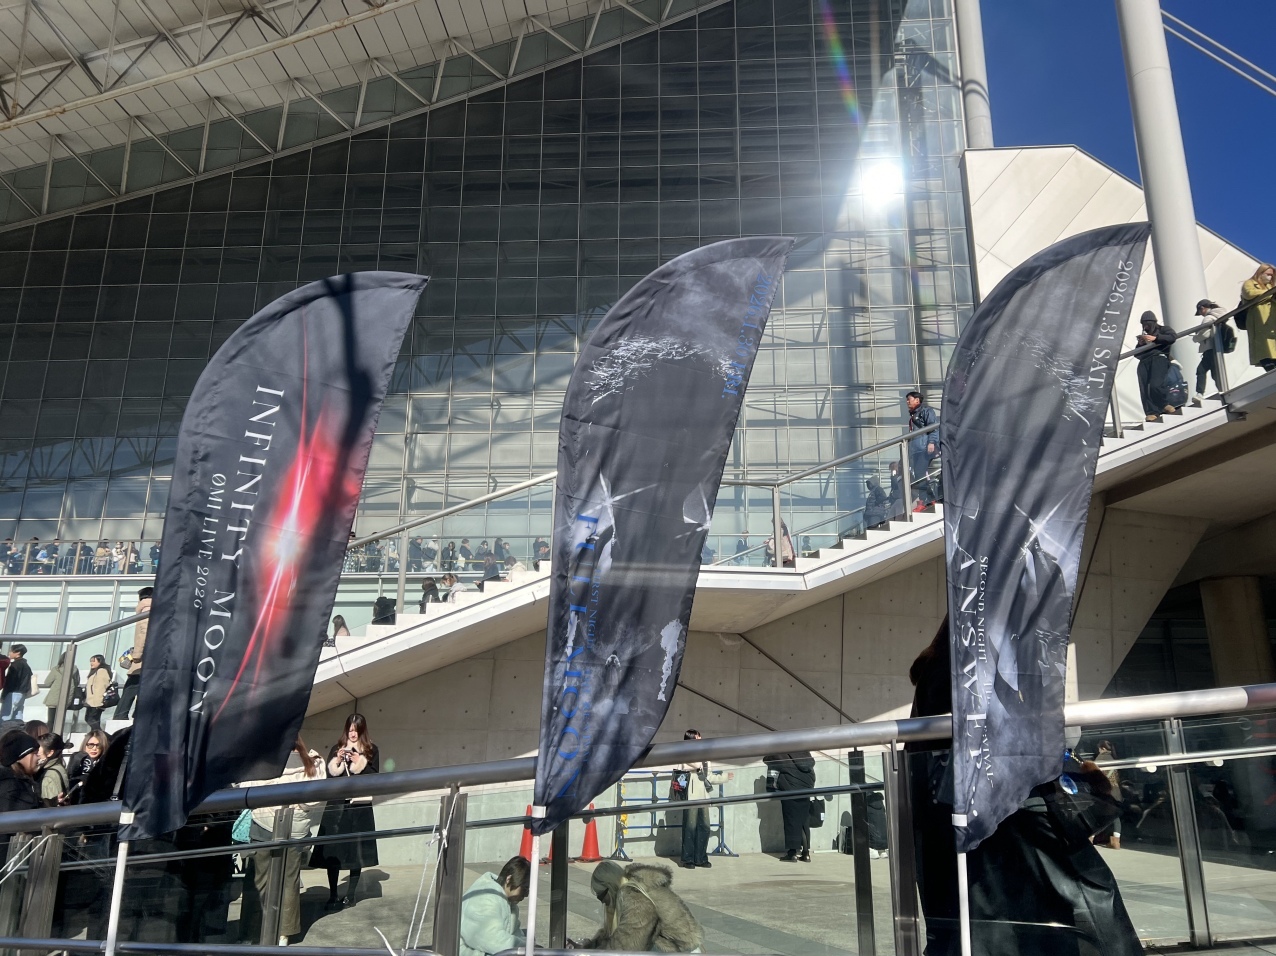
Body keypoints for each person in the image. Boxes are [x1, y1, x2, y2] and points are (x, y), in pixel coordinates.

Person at [907, 619, 1143, 956]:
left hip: (969, 812)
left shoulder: (943, 667)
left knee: (988, 920)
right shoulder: (971, 670)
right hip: (1008, 809)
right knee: (1086, 897)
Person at [241, 737, 327, 945]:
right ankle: (284, 934)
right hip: (295, 829)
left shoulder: (263, 760)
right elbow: (314, 798)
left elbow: (246, 788)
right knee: (290, 882)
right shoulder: (311, 761)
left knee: (259, 880)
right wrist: (297, 805)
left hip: (263, 824)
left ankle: (254, 931)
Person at [311, 714, 379, 910]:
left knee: (356, 853)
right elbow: (329, 777)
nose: (352, 734)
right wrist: (338, 761)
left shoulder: (371, 750)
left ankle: (351, 895)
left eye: (356, 730)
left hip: (359, 808)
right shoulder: (337, 748)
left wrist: (360, 762)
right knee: (333, 852)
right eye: (350, 730)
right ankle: (333, 895)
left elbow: (375, 777)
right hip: (337, 808)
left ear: (362, 731)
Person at [578, 860, 702, 953]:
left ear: (609, 886)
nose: (603, 902)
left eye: (602, 896)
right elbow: (614, 936)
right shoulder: (629, 890)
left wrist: (594, 953)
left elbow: (628, 944)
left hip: (681, 951)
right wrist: (588, 948)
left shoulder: (635, 897)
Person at [671, 729, 733, 869]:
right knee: (690, 828)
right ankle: (687, 859)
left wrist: (725, 777)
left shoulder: (704, 755)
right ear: (691, 739)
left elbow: (708, 776)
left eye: (700, 737)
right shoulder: (685, 753)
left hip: (704, 796)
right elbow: (696, 765)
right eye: (697, 737)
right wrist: (702, 757)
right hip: (690, 795)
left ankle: (700, 858)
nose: (700, 739)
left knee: (704, 827)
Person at [458, 855, 529, 956]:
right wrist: (527, 947)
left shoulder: (510, 904)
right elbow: (493, 940)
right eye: (524, 888)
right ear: (509, 879)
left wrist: (529, 945)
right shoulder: (485, 897)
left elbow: (516, 934)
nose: (526, 894)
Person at [764, 751, 815, 862]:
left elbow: (769, 763)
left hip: (790, 789)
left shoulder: (780, 753)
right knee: (803, 821)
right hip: (806, 789)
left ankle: (792, 854)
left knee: (791, 821)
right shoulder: (804, 752)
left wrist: (771, 789)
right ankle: (806, 853)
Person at [114, 586, 151, 720]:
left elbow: (143, 633)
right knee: (145, 686)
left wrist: (136, 655)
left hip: (143, 657)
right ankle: (138, 714)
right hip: (151, 656)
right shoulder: (157, 610)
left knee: (132, 685)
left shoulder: (146, 609)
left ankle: (120, 715)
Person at [1134, 311, 1177, 422]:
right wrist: (1140, 344)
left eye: (1148, 324)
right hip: (1144, 361)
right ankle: (1151, 412)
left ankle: (1164, 404)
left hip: (1159, 357)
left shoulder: (1163, 329)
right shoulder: (1144, 335)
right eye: (1144, 324)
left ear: (1153, 322)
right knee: (1145, 388)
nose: (1146, 327)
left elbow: (1172, 337)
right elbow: (1136, 354)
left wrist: (1155, 338)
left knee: (1155, 384)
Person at [905, 391, 940, 506]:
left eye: (909, 399)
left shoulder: (926, 411)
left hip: (923, 448)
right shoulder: (913, 416)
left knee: (920, 474)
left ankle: (923, 501)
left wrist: (931, 442)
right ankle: (931, 499)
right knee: (919, 475)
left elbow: (933, 427)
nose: (907, 402)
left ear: (917, 400)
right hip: (917, 449)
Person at [1190, 299, 1227, 406]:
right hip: (1216, 347)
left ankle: (1200, 393)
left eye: (1200, 312)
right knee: (1215, 373)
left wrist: (1195, 338)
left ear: (1202, 308)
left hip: (1209, 349)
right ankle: (1222, 390)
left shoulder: (1208, 318)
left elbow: (1204, 334)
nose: (1201, 314)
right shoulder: (1217, 316)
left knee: (1201, 370)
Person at [1242, 263, 1276, 372]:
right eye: (1267, 274)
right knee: (1263, 347)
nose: (1269, 277)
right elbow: (1248, 294)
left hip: (1271, 318)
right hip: (1258, 318)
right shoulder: (1250, 283)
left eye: (1271, 275)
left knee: (1272, 345)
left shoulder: (1270, 286)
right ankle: (1269, 366)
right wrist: (1269, 293)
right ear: (1260, 273)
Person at [66, 730, 108, 802]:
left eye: (98, 745)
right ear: (85, 745)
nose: (94, 748)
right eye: (90, 745)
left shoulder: (105, 765)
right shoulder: (76, 760)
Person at [40, 657, 80, 727]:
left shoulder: (56, 669)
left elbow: (47, 683)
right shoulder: (75, 670)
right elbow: (77, 682)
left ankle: (50, 733)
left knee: (51, 721)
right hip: (67, 699)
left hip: (54, 698)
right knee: (60, 721)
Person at [35, 732, 71, 807]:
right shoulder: (59, 767)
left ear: (50, 753)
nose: (35, 754)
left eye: (38, 750)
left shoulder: (49, 776)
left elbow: (49, 807)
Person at [1, 644, 35, 722]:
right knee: (17, 716)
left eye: (11, 651)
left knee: (5, 716)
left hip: (12, 693)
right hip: (22, 694)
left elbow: (10, 682)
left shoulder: (15, 665)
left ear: (18, 653)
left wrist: (3, 696)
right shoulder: (26, 665)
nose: (9, 653)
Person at [82, 655, 112, 731]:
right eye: (90, 661)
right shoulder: (96, 672)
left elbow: (101, 687)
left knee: (90, 719)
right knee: (94, 720)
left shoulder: (101, 671)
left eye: (93, 661)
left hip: (96, 701)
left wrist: (98, 701)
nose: (91, 663)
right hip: (92, 701)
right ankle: (96, 735)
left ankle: (101, 734)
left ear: (99, 661)